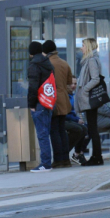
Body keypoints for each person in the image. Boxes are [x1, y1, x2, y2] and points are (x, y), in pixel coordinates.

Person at [43, 40, 73, 168]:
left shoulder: (47, 63)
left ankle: (58, 159)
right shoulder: (64, 63)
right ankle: (66, 159)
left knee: (54, 130)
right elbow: (69, 81)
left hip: (53, 99)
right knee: (62, 130)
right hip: (64, 99)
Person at [75, 38, 104, 166]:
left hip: (89, 99)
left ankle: (97, 157)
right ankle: (97, 157)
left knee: (92, 129)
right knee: (92, 129)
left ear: (88, 47)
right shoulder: (89, 60)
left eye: (83, 46)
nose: (81, 48)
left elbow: (96, 79)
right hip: (88, 99)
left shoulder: (91, 60)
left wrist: (85, 89)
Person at [27, 41, 54, 172]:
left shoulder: (34, 65)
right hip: (48, 101)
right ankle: (47, 161)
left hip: (38, 103)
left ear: (31, 52)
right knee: (46, 133)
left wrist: (31, 104)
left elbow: (33, 86)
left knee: (42, 134)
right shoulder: (47, 63)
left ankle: (45, 163)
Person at [65, 77, 89, 165]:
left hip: (72, 119)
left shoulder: (73, 96)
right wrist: (77, 119)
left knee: (87, 128)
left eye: (75, 84)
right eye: (71, 83)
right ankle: (70, 152)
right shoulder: (66, 96)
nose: (73, 86)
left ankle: (78, 153)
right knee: (81, 129)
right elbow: (67, 114)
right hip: (66, 119)